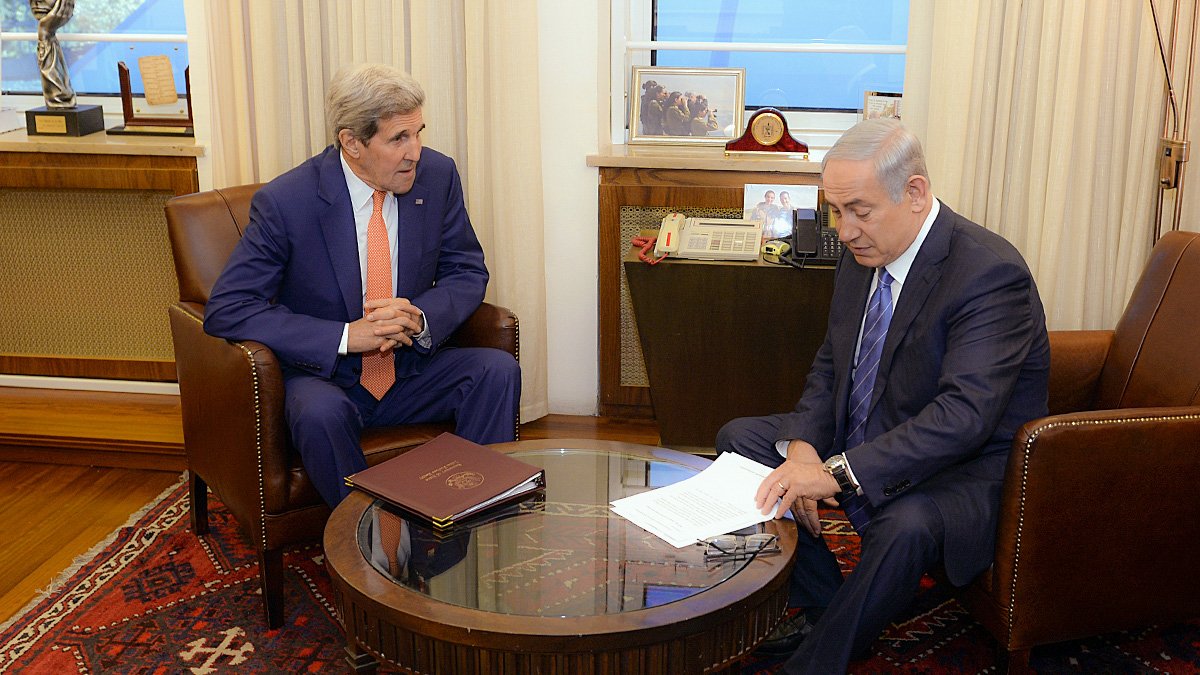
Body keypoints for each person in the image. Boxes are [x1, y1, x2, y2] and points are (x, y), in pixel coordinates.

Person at [716, 118, 1049, 673]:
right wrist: (802, 443)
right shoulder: (862, 253)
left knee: (905, 525)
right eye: (836, 212)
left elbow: (962, 419)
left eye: (859, 211)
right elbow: (833, 362)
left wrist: (836, 473)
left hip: (964, 465)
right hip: (877, 427)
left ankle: (818, 661)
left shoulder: (989, 274)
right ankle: (824, 601)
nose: (845, 231)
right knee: (744, 441)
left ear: (914, 193)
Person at [204, 63, 521, 508]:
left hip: (408, 369)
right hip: (326, 379)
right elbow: (229, 307)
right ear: (351, 142)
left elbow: (466, 270)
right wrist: (347, 337)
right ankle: (369, 543)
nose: (416, 151)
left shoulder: (437, 175)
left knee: (495, 371)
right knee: (320, 413)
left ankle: (472, 518)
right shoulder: (287, 202)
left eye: (418, 133)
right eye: (399, 139)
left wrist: (420, 316)